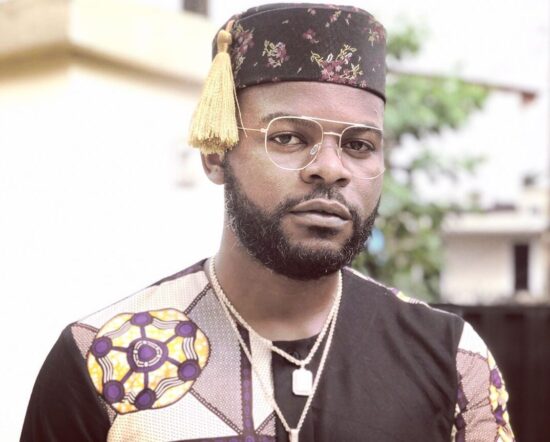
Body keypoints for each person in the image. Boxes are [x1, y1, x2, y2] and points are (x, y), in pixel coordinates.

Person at [21, 3, 515, 441]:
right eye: (288, 138)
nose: (331, 168)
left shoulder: (450, 357)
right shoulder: (102, 357)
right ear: (216, 153)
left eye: (359, 145)